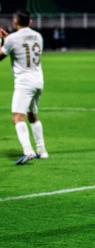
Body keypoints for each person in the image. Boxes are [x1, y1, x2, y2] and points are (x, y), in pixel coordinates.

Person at [0, 10, 49, 164]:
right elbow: (22, 46)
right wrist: (7, 39)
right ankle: (42, 150)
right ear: (30, 22)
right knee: (32, 115)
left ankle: (28, 151)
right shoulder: (38, 36)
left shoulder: (12, 39)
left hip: (24, 82)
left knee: (17, 117)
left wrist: (2, 41)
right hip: (38, 81)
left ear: (15, 21)